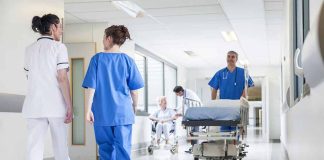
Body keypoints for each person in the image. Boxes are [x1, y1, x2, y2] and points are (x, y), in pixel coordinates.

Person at [82, 25, 144, 160]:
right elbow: (134, 91)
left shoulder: (97, 59)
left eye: (103, 38)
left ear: (109, 38)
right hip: (123, 113)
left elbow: (91, 88)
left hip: (102, 113)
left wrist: (87, 110)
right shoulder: (128, 61)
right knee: (123, 148)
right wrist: (134, 107)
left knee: (105, 149)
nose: (103, 41)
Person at [23, 14, 72, 160]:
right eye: (60, 27)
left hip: (34, 105)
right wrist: (69, 105)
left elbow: (29, 76)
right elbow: (62, 78)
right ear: (53, 27)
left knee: (33, 149)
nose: (61, 31)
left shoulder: (29, 49)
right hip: (55, 104)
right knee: (61, 149)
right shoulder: (59, 47)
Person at [208, 51, 254, 131]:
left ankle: (234, 142)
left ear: (236, 59)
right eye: (228, 56)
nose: (230, 58)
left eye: (233, 57)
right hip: (224, 106)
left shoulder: (243, 72)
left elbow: (247, 86)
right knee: (224, 131)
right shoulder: (220, 73)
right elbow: (214, 89)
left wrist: (242, 100)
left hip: (238, 105)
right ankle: (226, 143)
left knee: (236, 131)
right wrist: (213, 104)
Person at [173, 86, 201, 153]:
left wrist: (183, 120)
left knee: (194, 132)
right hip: (195, 113)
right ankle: (194, 148)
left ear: (180, 92)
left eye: (177, 94)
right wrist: (177, 110)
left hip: (197, 114)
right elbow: (183, 105)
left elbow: (187, 109)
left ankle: (195, 149)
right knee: (193, 132)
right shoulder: (186, 93)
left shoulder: (188, 96)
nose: (177, 96)